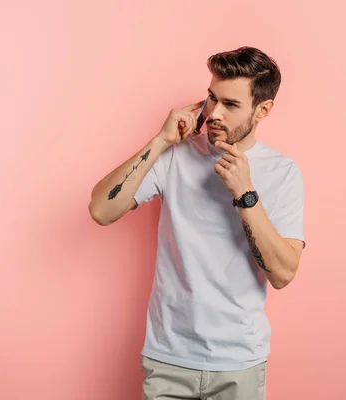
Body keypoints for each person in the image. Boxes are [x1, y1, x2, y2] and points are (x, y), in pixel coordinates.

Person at [88, 46, 305, 400]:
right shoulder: (176, 156)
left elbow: (282, 274)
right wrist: (161, 141)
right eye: (211, 98)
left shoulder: (283, 173)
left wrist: (245, 194)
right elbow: (100, 210)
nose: (215, 113)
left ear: (262, 110)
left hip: (239, 364)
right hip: (169, 359)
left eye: (231, 105)